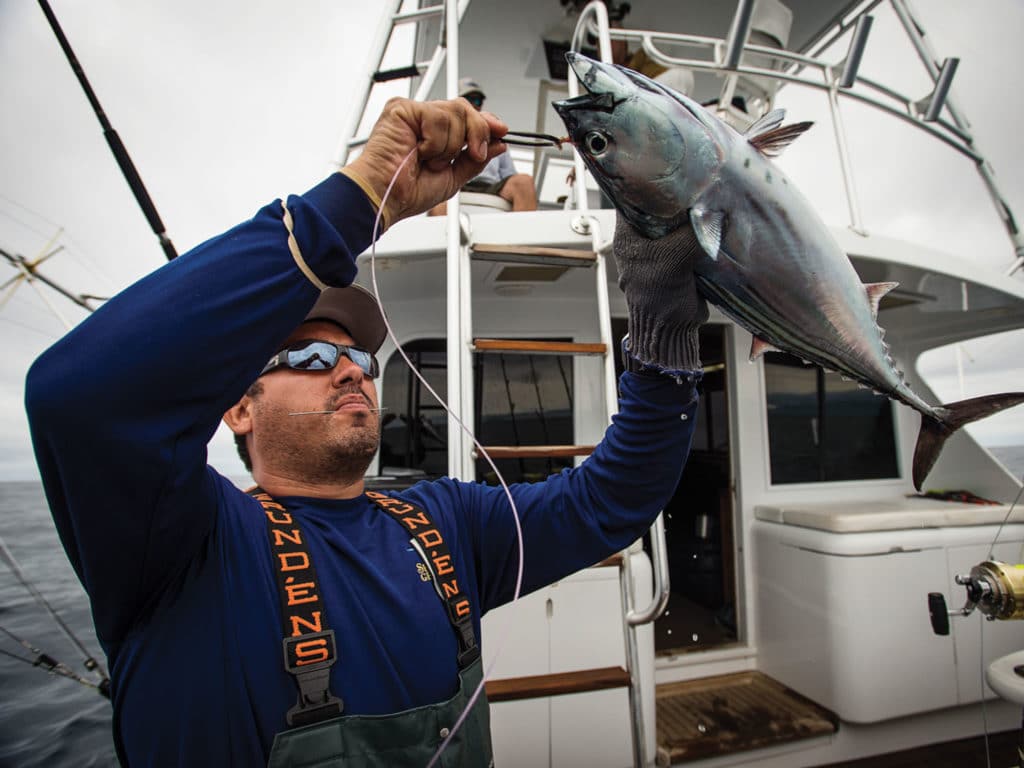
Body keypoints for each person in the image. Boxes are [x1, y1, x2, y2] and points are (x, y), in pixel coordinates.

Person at [25, 95, 707, 766]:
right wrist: (364, 193)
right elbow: (79, 399)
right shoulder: (181, 546)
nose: (351, 372)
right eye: (315, 357)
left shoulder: (445, 521)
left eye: (358, 358)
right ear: (238, 409)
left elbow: (611, 499)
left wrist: (661, 329)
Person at [428, 77, 538, 215]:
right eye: (469, 100)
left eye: (478, 100)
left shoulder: (495, 135)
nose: (474, 105)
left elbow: (509, 174)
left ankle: (525, 236)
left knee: (524, 183)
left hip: (490, 186)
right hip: (455, 183)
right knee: (438, 189)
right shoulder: (444, 132)